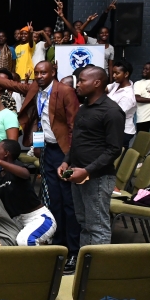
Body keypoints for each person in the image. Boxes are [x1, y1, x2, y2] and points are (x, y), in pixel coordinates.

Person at [0, 60, 79, 262]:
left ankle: (73, 250)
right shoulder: (36, 89)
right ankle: (57, 245)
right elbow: (12, 86)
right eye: (37, 73)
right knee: (53, 199)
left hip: (64, 152)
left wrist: (69, 157)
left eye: (43, 73)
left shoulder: (64, 91)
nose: (39, 76)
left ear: (53, 72)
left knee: (68, 202)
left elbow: (74, 126)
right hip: (47, 149)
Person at [58, 65, 125, 262]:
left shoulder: (112, 111)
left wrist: (86, 171)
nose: (78, 84)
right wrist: (66, 161)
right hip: (77, 174)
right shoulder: (84, 108)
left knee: (98, 226)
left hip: (97, 177)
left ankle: (98, 270)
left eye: (82, 81)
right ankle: (85, 263)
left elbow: (114, 150)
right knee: (84, 222)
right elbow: (78, 141)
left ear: (97, 83)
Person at [0, 140, 57, 246]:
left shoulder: (18, 168)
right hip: (18, 222)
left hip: (39, 219)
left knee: (26, 241)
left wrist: (0, 162)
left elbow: (26, 174)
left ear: (6, 153)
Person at [106, 59, 138, 146]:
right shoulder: (116, 84)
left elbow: (116, 115)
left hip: (122, 131)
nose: (114, 76)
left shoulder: (128, 96)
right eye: (113, 73)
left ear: (126, 74)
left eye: (117, 73)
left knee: (117, 157)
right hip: (113, 128)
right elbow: (105, 89)